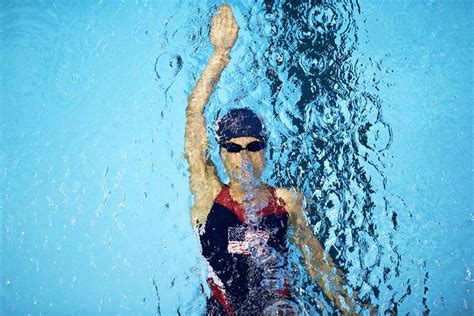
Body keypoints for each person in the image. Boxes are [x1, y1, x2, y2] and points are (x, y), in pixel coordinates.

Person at [184, 4, 372, 315]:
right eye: (233, 148)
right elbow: (194, 115)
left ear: (265, 151)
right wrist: (219, 56)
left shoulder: (286, 202)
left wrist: (354, 310)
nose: (244, 155)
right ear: (222, 154)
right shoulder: (209, 195)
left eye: (253, 145)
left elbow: (320, 268)